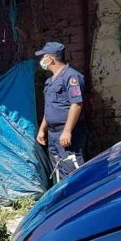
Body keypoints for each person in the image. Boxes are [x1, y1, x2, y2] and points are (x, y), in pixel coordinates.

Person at [35, 42, 88, 181]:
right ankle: (65, 201)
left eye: (43, 57)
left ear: (50, 59)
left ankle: (82, 200)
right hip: (53, 134)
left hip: (66, 133)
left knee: (73, 169)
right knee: (58, 170)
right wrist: (42, 129)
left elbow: (76, 104)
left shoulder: (71, 77)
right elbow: (51, 107)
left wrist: (67, 131)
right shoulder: (50, 81)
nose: (41, 61)